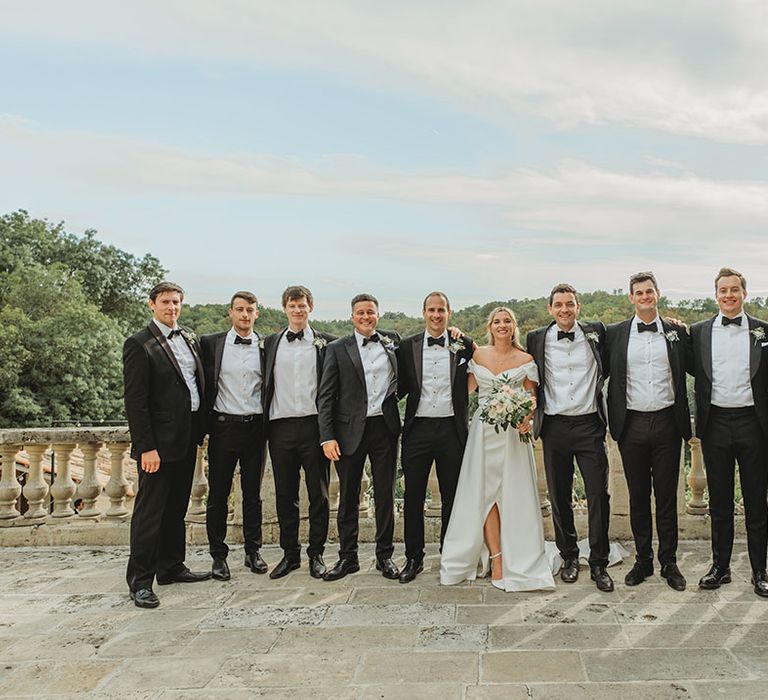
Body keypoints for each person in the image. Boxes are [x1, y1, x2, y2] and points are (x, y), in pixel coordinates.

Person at [440, 307, 555, 591]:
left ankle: (520, 555)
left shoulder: (526, 359)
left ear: (513, 326)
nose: (502, 325)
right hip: (483, 433)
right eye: (496, 321)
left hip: (514, 435)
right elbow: (462, 391)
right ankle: (497, 557)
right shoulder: (478, 356)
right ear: (489, 327)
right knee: (485, 493)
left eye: (507, 321)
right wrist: (457, 336)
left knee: (512, 494)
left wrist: (526, 419)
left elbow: (532, 399)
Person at [123, 281, 211, 609]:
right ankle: (140, 581)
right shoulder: (139, 344)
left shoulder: (188, 337)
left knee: (177, 507)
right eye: (165, 302)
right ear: (151, 304)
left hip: (187, 439)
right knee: (150, 513)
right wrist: (146, 447)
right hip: (157, 446)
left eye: (176, 302)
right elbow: (136, 401)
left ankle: (171, 566)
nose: (171, 307)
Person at [527, 283, 614, 592]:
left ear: (578, 307)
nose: (564, 309)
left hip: (590, 425)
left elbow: (633, 329)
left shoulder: (598, 331)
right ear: (550, 309)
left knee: (597, 496)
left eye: (570, 304)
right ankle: (569, 557)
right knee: (559, 495)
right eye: (558, 304)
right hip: (554, 427)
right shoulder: (536, 339)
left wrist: (672, 323)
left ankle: (600, 562)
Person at [605, 272, 689, 591]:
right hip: (632, 425)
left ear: (657, 294)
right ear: (631, 297)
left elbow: (699, 365)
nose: (644, 297)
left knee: (666, 497)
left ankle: (669, 562)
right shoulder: (616, 333)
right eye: (638, 293)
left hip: (668, 422)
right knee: (639, 496)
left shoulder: (677, 331)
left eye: (649, 291)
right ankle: (643, 560)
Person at [688, 267, 768, 598]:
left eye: (735, 289)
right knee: (719, 502)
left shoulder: (764, 332)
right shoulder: (698, 332)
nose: (729, 295)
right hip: (715, 424)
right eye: (723, 290)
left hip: (754, 424)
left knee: (756, 502)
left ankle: (760, 571)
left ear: (744, 294)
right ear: (716, 294)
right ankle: (720, 568)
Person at [317, 293, 401, 581]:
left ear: (378, 314)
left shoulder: (392, 340)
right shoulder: (337, 348)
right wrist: (327, 436)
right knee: (348, 496)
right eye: (361, 313)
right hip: (348, 431)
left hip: (385, 428)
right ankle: (348, 558)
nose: (366, 317)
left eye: (371, 312)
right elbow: (325, 396)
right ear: (352, 316)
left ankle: (385, 556)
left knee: (385, 495)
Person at [397, 291, 474, 583]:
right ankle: (413, 558)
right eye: (431, 310)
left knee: (452, 497)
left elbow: (487, 362)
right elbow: (396, 385)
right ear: (423, 312)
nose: (436, 315)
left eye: (441, 310)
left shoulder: (463, 344)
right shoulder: (408, 346)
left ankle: (450, 555)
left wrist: (464, 337)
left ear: (449, 313)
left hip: (451, 431)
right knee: (413, 497)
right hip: (417, 430)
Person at [263, 285, 336, 579]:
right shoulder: (269, 343)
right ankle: (289, 554)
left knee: (318, 494)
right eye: (292, 306)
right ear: (284, 308)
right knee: (285, 494)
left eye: (302, 305)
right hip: (280, 427)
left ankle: (316, 554)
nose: (297, 310)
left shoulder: (328, 343)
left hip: (314, 427)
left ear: (311, 308)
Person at [200, 291, 267, 581]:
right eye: (239, 309)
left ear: (257, 313)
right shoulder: (210, 344)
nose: (244, 315)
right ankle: (218, 555)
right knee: (217, 494)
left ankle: (253, 551)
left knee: (252, 495)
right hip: (222, 427)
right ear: (230, 312)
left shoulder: (267, 346)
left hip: (255, 428)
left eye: (249, 310)